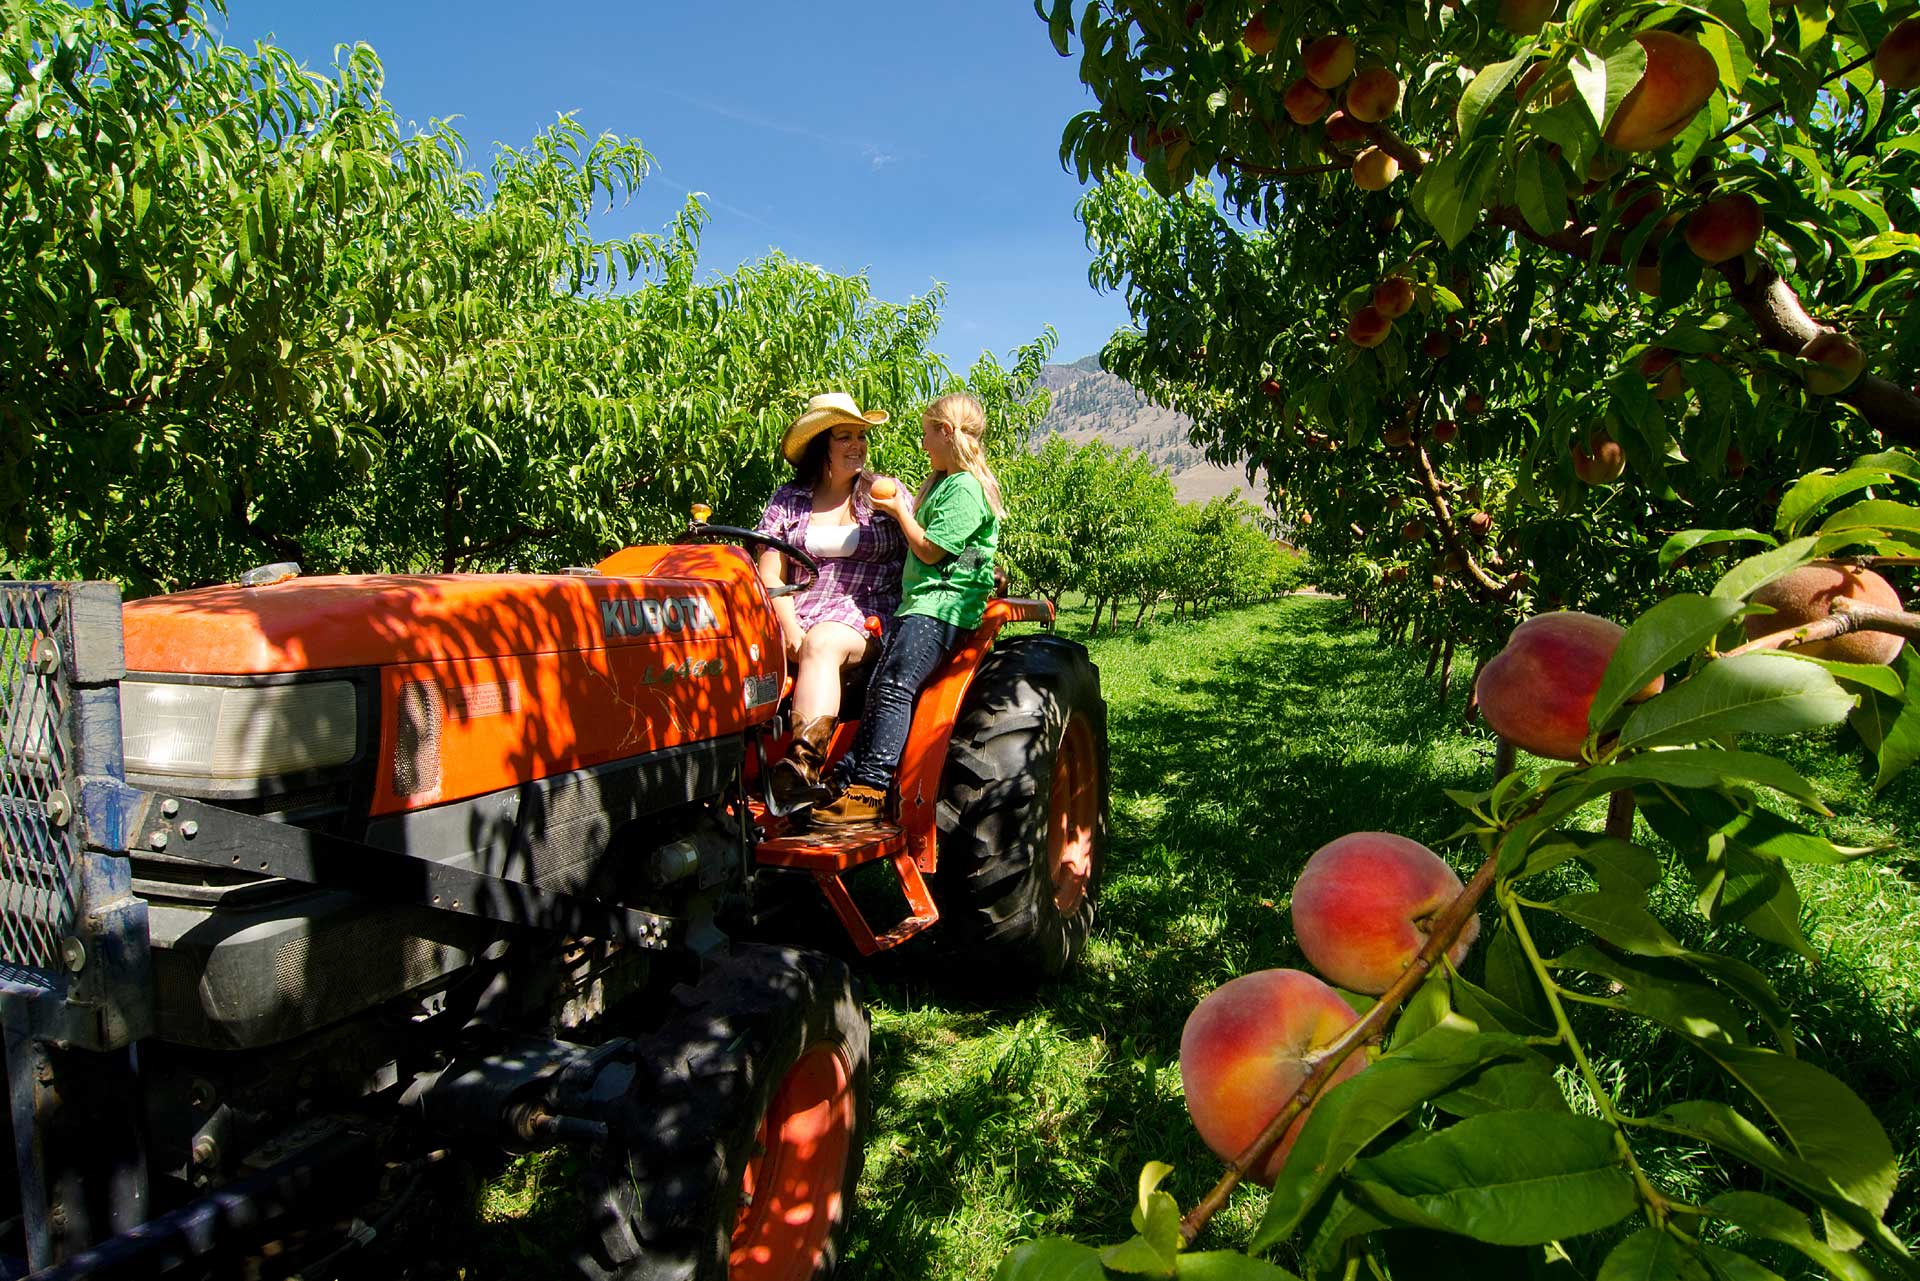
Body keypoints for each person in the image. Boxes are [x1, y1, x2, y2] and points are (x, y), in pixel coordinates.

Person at [812, 392, 1005, 826]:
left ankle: (870, 789)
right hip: (920, 605)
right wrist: (980, 571)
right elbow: (973, 551)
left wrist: (900, 509)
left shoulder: (966, 488)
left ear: (946, 432)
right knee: (879, 686)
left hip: (940, 611)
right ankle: (845, 778)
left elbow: (932, 551)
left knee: (896, 686)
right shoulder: (945, 484)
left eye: (925, 434)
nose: (922, 444)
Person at [754, 392, 907, 807]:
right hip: (796, 614)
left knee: (822, 641)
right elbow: (771, 574)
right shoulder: (788, 500)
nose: (858, 444)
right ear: (822, 443)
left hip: (868, 614)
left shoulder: (883, 493)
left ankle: (802, 766)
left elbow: (924, 539)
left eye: (861, 436)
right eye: (845, 436)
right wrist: (788, 629)